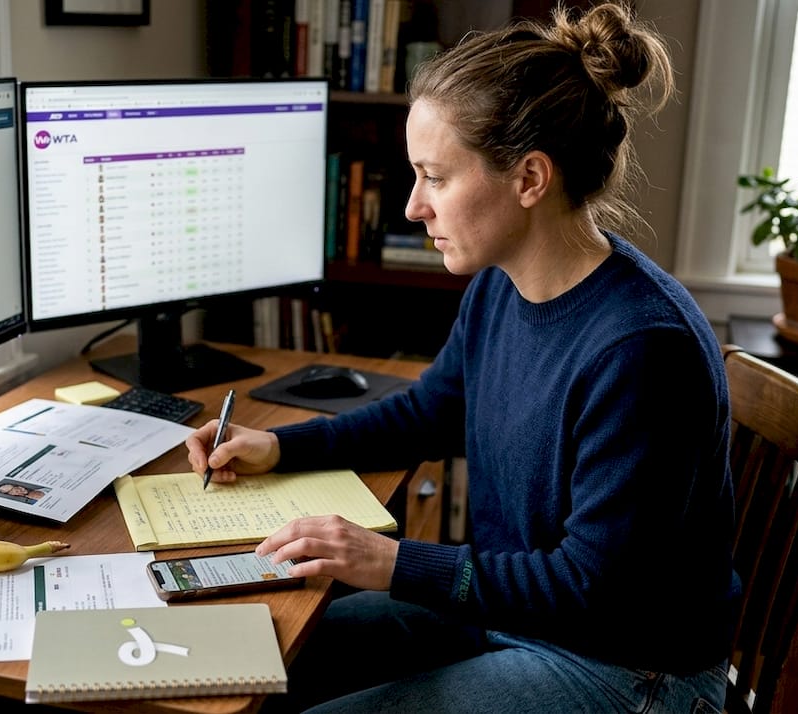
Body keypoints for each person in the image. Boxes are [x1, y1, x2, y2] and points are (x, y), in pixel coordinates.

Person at [185, 4, 739, 713]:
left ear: (530, 179)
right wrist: (277, 446)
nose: (415, 206)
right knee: (260, 658)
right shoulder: (502, 286)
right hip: (520, 619)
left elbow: (591, 586)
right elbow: (430, 412)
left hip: (625, 667)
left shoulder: (642, 350)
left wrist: (390, 562)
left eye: (435, 177)